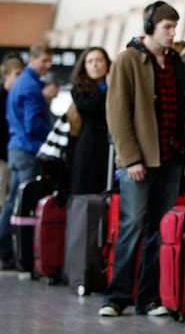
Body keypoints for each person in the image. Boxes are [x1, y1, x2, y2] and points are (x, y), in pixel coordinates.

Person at [99, 0, 185, 317]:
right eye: (167, 27)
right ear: (150, 26)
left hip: (170, 157)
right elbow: (118, 114)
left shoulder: (174, 61)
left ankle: (148, 298)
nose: (172, 33)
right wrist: (131, 158)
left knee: (158, 229)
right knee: (132, 225)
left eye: (175, 27)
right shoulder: (127, 60)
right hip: (139, 161)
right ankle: (115, 296)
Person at [0, 44, 58, 270]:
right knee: (20, 203)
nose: (48, 65)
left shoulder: (25, 84)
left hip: (17, 148)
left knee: (13, 202)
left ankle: (8, 249)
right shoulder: (30, 87)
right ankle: (9, 250)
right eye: (44, 61)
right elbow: (33, 124)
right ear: (32, 60)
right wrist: (52, 136)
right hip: (27, 150)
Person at [69, 47, 111, 195]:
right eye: (90, 61)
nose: (95, 65)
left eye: (99, 60)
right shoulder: (78, 89)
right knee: (87, 191)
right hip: (89, 145)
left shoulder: (117, 86)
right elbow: (90, 108)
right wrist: (109, 89)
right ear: (84, 66)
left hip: (112, 144)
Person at [0, 54, 24, 210]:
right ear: (6, 75)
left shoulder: (16, 97)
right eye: (17, 74)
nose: (20, 78)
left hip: (11, 154)